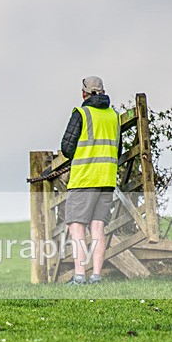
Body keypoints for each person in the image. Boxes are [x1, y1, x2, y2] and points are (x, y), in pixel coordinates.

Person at [60, 76, 120, 285]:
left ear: (84, 93)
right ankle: (96, 275)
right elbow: (117, 149)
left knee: (76, 227)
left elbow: (67, 148)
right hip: (107, 178)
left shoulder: (81, 113)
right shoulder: (114, 116)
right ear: (103, 92)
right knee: (97, 228)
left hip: (84, 178)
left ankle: (79, 276)